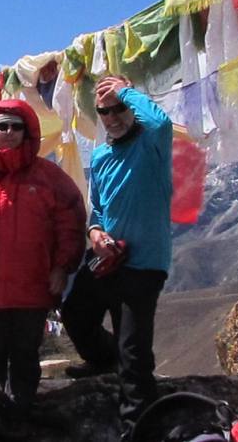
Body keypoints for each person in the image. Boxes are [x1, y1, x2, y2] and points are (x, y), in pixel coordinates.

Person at [0, 100, 86, 440]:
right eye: (1, 126)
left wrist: (63, 266)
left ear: (28, 132)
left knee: (24, 355)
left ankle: (20, 416)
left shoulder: (50, 177)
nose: (8, 133)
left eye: (16, 126)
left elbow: (71, 224)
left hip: (32, 286)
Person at [60, 75, 173, 437]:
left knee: (135, 355)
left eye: (119, 107)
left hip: (143, 266)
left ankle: (139, 429)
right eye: (104, 110)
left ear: (132, 106)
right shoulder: (102, 155)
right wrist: (95, 234)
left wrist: (125, 90)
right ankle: (104, 362)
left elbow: (160, 121)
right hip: (108, 261)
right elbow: (97, 211)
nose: (112, 116)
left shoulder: (152, 144)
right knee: (75, 311)